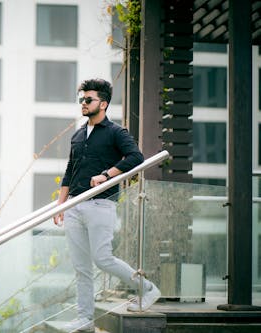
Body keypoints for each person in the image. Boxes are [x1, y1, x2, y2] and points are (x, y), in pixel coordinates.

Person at [53, 78, 161, 332]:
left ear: (103, 103)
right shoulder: (79, 134)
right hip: (74, 206)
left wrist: (106, 174)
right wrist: (60, 205)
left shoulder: (116, 132)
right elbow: (70, 170)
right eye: (81, 99)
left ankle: (147, 288)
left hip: (101, 204)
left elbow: (136, 157)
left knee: (103, 259)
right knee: (81, 268)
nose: (83, 103)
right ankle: (85, 320)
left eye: (88, 99)